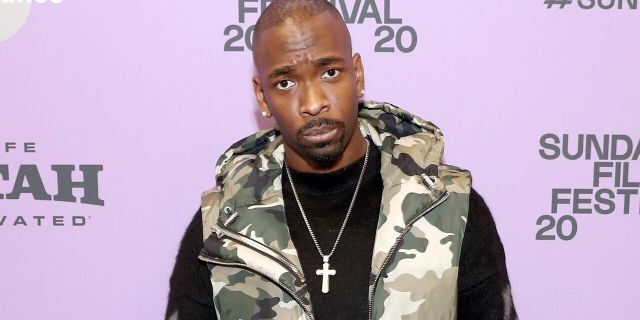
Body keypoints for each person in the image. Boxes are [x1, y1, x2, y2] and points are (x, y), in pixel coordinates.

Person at [165, 0, 518, 319]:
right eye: (285, 83)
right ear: (262, 96)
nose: (313, 101)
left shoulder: (448, 207)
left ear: (358, 74)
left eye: (330, 72)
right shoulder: (221, 228)